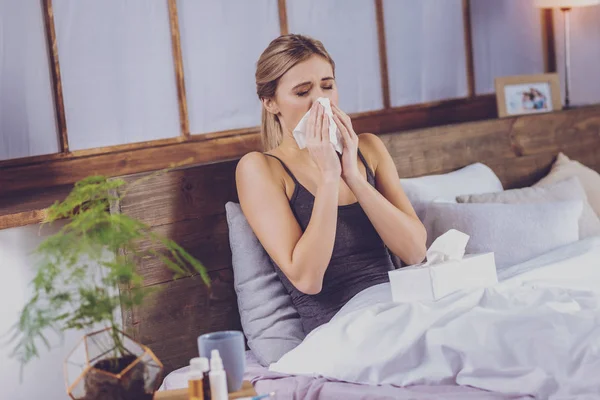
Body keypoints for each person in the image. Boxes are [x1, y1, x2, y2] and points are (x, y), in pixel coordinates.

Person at [236, 34, 427, 334]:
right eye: (302, 92)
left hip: (401, 310)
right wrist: (328, 177)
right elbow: (307, 279)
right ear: (270, 102)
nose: (320, 102)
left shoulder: (369, 149)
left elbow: (415, 252)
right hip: (342, 330)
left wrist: (352, 175)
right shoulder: (260, 169)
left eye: (327, 86)